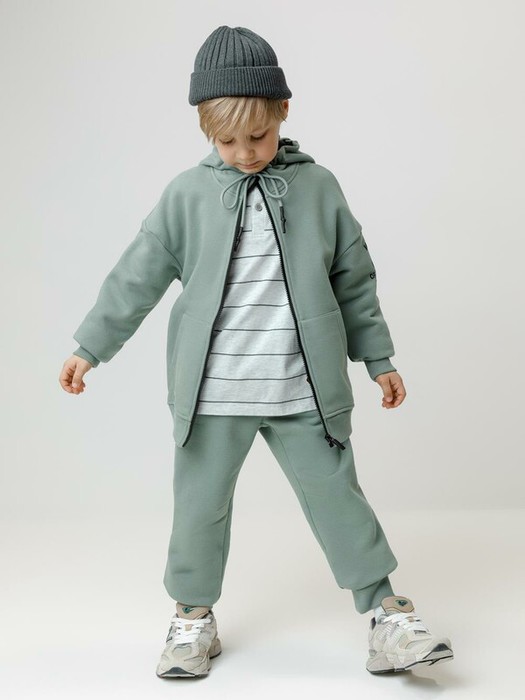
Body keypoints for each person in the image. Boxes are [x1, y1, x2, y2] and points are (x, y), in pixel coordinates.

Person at [59, 25, 454, 679]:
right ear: (204, 129)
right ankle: (192, 618)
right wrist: (90, 347)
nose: (245, 153)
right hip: (212, 396)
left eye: (259, 136)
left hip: (304, 391)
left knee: (339, 501)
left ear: (283, 112)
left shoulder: (318, 187)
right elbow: (137, 276)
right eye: (228, 142)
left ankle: (387, 616)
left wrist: (378, 358)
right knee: (199, 510)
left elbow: (353, 279)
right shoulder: (186, 195)